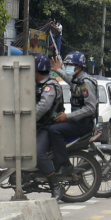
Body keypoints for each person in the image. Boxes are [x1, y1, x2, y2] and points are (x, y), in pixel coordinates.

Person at [49, 52, 97, 175]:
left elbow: (90, 108)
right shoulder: (77, 80)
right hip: (77, 121)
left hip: (84, 123)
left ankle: (64, 165)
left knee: (55, 131)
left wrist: (67, 116)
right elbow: (67, 78)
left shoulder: (86, 83)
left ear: (79, 67)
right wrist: (58, 69)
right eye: (67, 65)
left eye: (70, 65)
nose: (68, 67)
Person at [34, 54, 65, 200]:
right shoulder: (37, 84)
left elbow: (43, 107)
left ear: (37, 70)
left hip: (48, 126)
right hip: (38, 126)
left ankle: (55, 185)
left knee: (37, 152)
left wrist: (29, 119)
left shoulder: (50, 86)